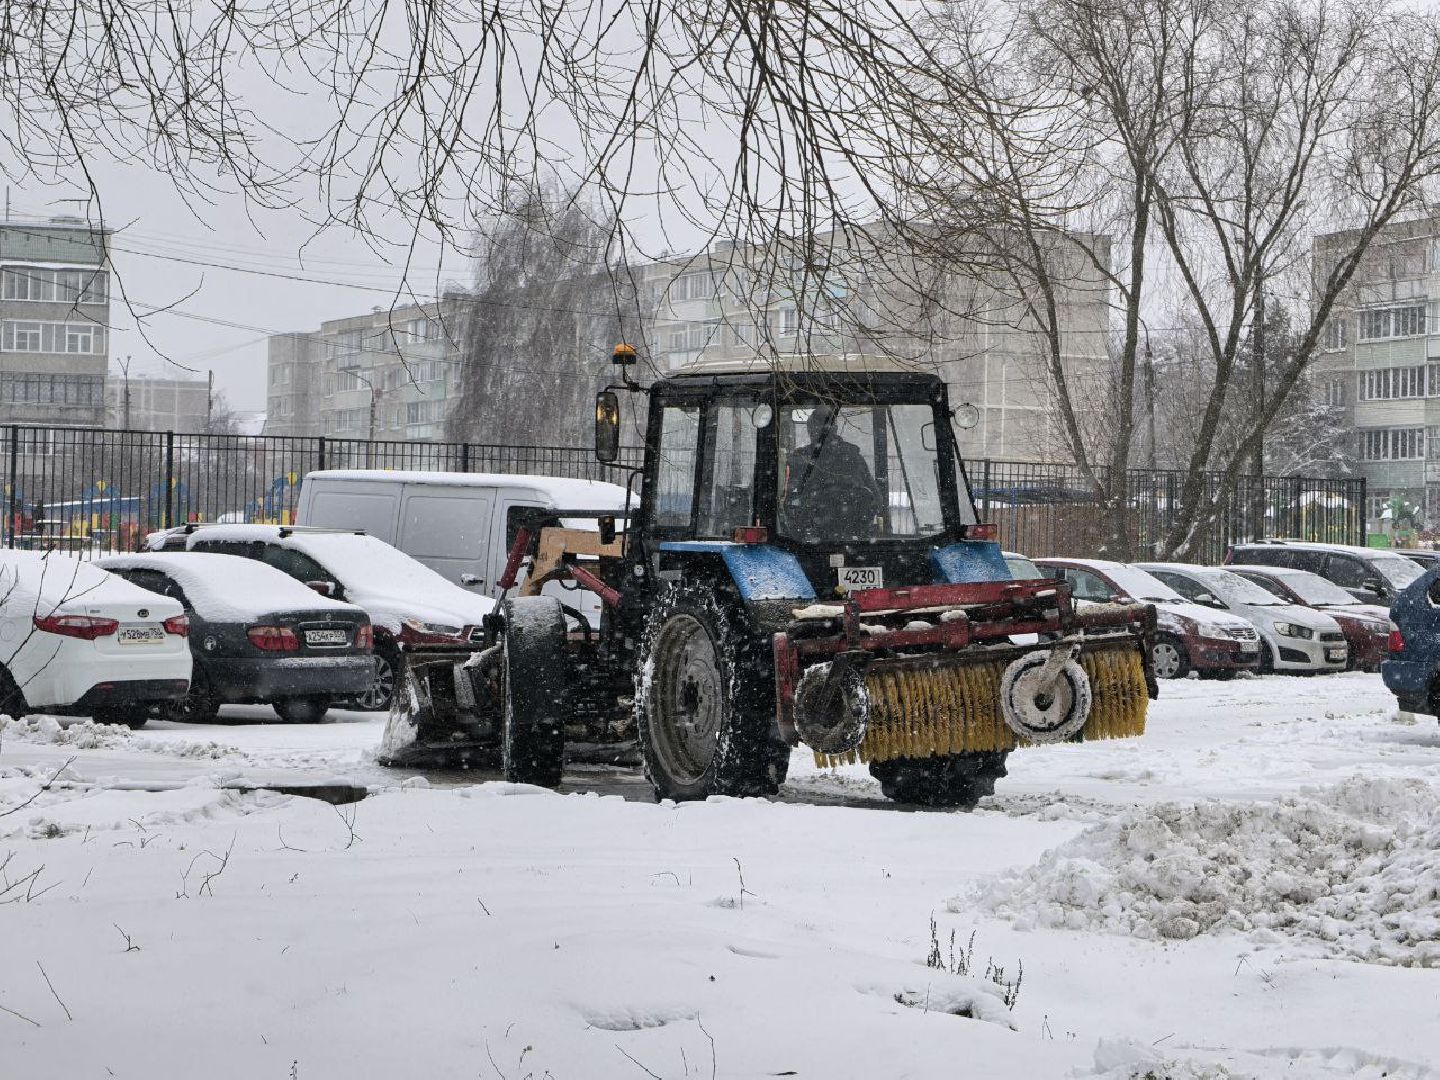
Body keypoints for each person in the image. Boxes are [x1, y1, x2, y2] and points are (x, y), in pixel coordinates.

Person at [782, 406, 882, 540]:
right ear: (834, 429)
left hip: (810, 538)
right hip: (853, 536)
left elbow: (783, 496)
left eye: (812, 429)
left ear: (811, 430)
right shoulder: (854, 457)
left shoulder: (800, 458)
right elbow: (877, 498)